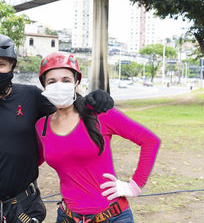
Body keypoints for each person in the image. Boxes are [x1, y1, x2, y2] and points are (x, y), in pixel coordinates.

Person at [0, 33, 114, 223]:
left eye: (0, 65)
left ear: (12, 66)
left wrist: (92, 100)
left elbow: (66, 106)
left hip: (23, 202)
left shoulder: (31, 96)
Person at [35, 52, 161, 223]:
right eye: (52, 81)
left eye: (66, 80)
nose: (59, 86)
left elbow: (150, 141)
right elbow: (35, 160)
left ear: (76, 83)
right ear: (44, 86)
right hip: (67, 217)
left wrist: (135, 185)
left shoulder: (100, 114)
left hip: (112, 216)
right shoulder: (41, 126)